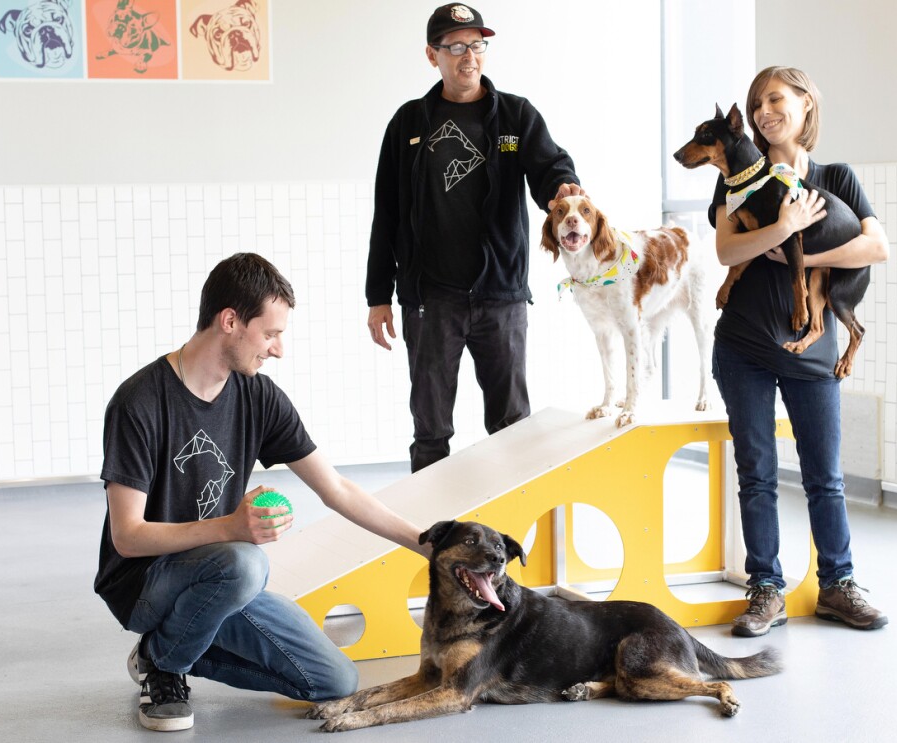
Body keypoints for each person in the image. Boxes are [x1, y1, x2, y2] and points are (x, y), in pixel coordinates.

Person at [94, 252, 428, 732]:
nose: (277, 350)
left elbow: (336, 489)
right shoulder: (140, 402)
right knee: (246, 561)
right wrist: (231, 528)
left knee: (334, 680)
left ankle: (161, 651)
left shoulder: (259, 397)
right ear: (230, 321)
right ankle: (167, 669)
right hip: (144, 582)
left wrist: (428, 544)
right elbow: (127, 537)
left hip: (220, 577)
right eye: (270, 334)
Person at [709, 66, 890, 637]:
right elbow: (725, 249)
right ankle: (766, 589)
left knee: (825, 477)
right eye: (756, 103)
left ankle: (838, 585)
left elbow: (875, 247)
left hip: (811, 357)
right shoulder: (737, 176)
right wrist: (784, 225)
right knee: (756, 473)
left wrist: (805, 257)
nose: (765, 111)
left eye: (776, 99)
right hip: (744, 348)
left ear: (806, 104)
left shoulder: (837, 176)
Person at [366, 3, 582, 472]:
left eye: (478, 45)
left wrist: (560, 189)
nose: (470, 57)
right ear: (433, 55)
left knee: (512, 425)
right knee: (431, 432)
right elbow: (387, 211)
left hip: (500, 296)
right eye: (457, 46)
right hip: (431, 298)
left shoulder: (515, 117)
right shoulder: (408, 123)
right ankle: (428, 537)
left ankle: (512, 533)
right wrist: (378, 294)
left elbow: (550, 169)